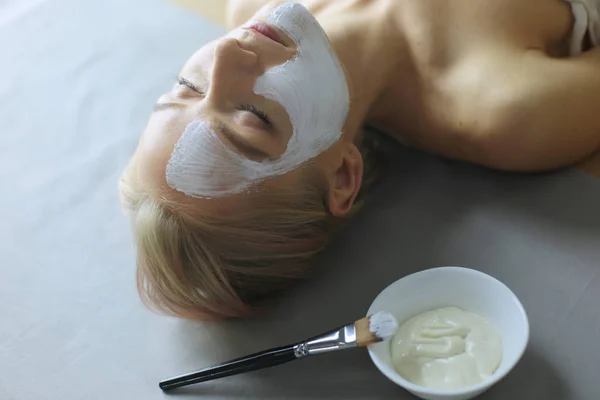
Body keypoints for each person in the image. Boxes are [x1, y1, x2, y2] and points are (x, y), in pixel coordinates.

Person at [119, 0, 600, 319]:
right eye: (251, 116)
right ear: (344, 176)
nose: (226, 53)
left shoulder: (253, 8)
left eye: (187, 88)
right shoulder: (505, 111)